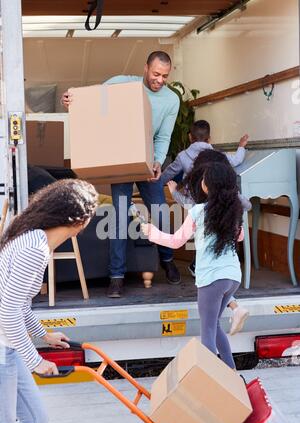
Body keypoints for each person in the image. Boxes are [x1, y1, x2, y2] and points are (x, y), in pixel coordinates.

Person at [61, 51, 181, 298]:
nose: (160, 80)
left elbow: (164, 136)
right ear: (146, 68)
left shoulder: (171, 100)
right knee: (120, 216)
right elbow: (93, 100)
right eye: (156, 74)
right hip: (122, 161)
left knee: (159, 210)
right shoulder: (121, 83)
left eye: (165, 76)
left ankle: (167, 258)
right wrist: (70, 98)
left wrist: (157, 162)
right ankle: (117, 276)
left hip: (147, 163)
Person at [0, 179, 98, 423]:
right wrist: (36, 361)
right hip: (2, 348)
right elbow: (7, 311)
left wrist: (44, 335)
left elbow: (19, 306)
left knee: (35, 420)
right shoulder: (34, 248)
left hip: (8, 346)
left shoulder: (33, 238)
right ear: (80, 219)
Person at [142, 152, 244, 369]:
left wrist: (151, 232)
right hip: (233, 277)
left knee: (207, 331)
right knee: (214, 326)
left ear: (207, 186)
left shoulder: (198, 211)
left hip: (211, 279)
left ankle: (210, 380)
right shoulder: (233, 210)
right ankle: (231, 372)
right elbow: (240, 236)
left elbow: (176, 241)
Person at [162, 126, 251, 335]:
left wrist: (167, 185)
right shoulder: (220, 160)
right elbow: (237, 163)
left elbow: (175, 182)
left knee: (209, 274)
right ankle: (236, 308)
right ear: (209, 138)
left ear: (190, 137)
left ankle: (234, 308)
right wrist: (241, 147)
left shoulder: (186, 160)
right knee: (220, 276)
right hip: (229, 262)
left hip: (206, 249)